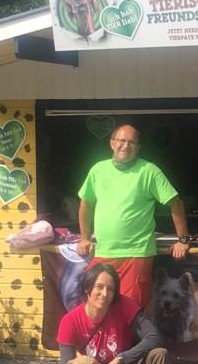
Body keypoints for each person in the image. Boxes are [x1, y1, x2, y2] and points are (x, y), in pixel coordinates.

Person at [75, 124, 191, 308]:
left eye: (132, 143)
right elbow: (86, 203)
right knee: (95, 307)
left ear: (138, 148)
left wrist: (182, 239)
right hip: (104, 252)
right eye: (121, 141)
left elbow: (175, 203)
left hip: (136, 255)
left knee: (130, 312)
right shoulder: (98, 170)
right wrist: (84, 238)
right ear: (112, 143)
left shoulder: (149, 171)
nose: (126, 146)